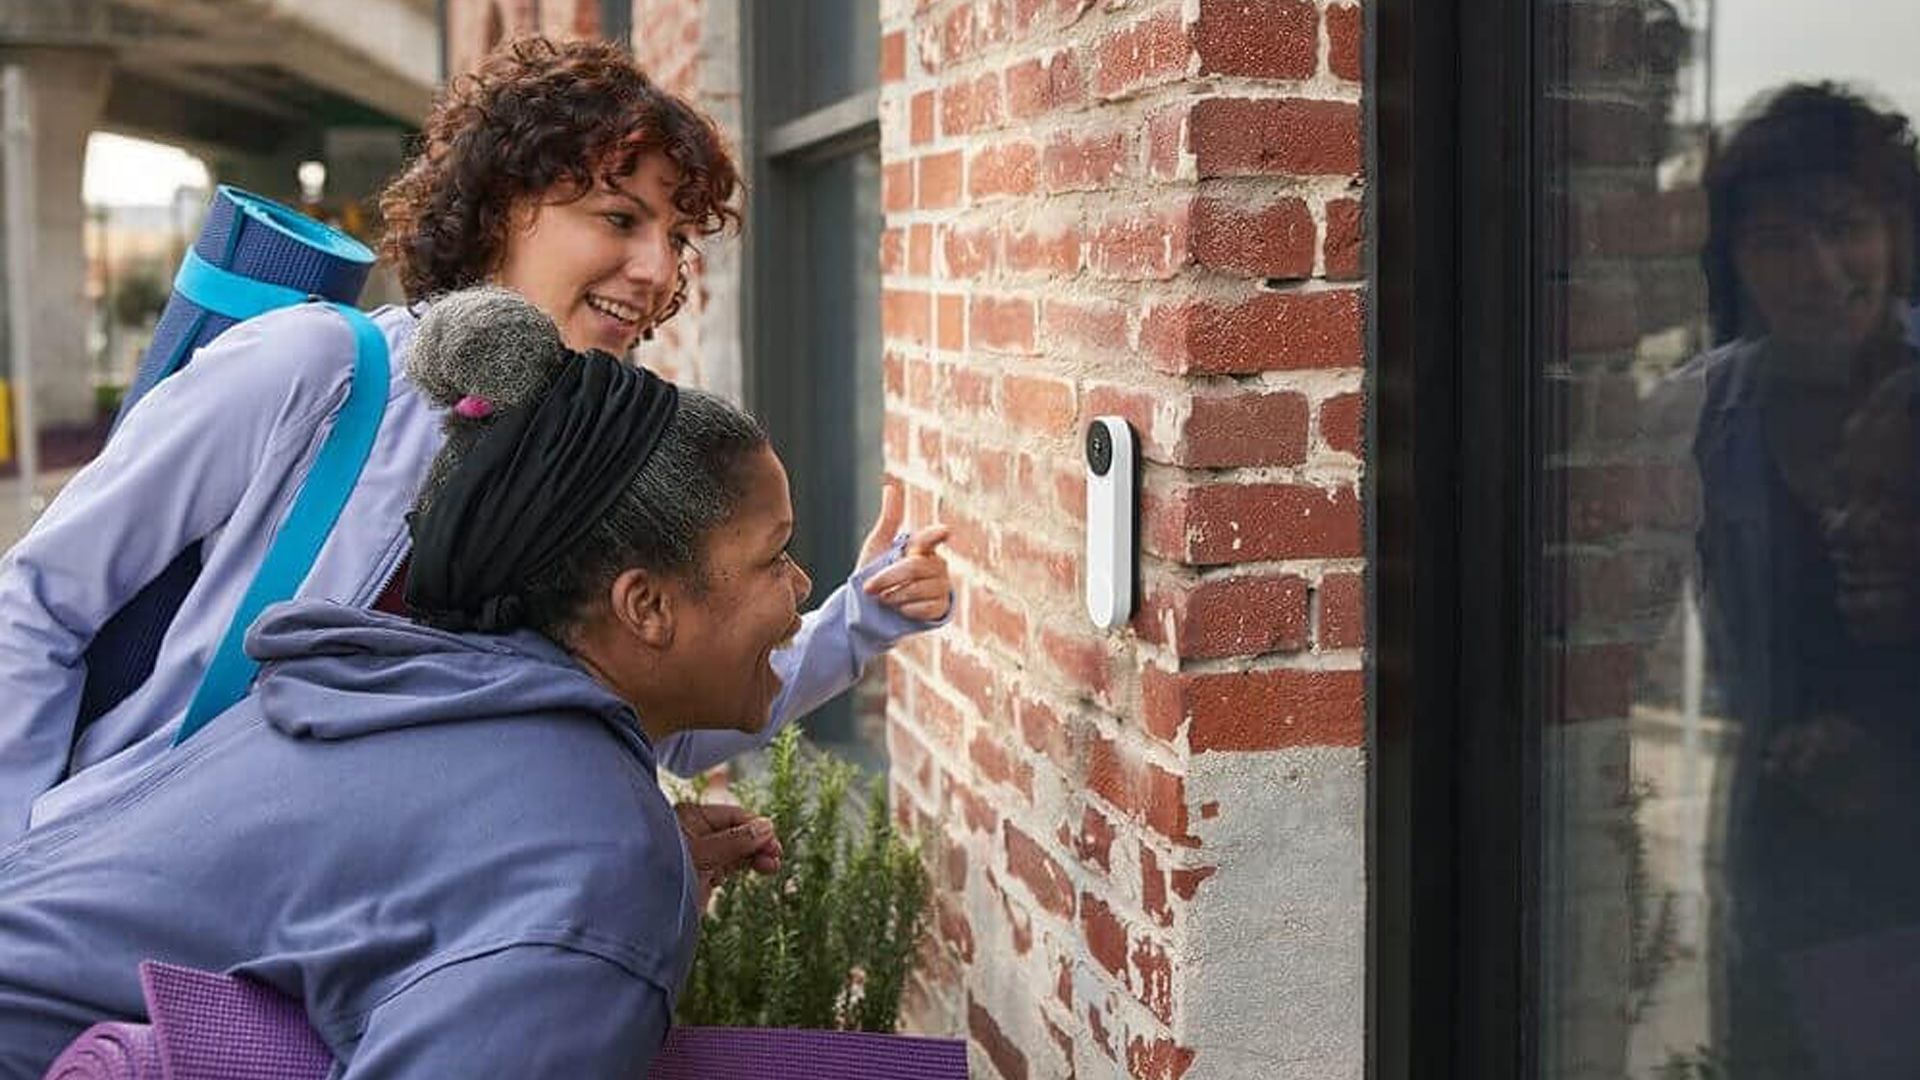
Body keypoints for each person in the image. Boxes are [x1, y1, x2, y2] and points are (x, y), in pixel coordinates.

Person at [0, 36, 951, 853]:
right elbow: (42, 602)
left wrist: (855, 625)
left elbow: (652, 720)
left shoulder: (598, 471)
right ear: (503, 208)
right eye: (619, 219)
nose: (661, 272)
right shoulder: (318, 371)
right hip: (126, 894)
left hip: (346, 951)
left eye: (679, 239)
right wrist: (20, 864)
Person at [0, 287, 841, 1076]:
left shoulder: (397, 688)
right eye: (773, 556)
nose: (803, 585)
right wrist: (605, 918)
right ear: (646, 606)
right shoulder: (593, 861)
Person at [1679, 81, 1920, 1075]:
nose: (1820, 269)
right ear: (1734, 262)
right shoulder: (1693, 419)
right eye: (1776, 240)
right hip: (1782, 879)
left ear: (1894, 231)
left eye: (1842, 226)